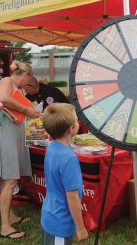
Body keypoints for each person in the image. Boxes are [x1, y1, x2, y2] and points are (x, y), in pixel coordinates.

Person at [0, 61, 38, 240]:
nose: (27, 84)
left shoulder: (14, 85)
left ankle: (11, 216)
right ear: (25, 75)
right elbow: (4, 99)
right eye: (28, 80)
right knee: (9, 181)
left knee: (8, 179)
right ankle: (5, 227)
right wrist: (26, 110)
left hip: (9, 135)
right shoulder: (7, 81)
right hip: (4, 136)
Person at [40, 103, 88, 244]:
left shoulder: (52, 147)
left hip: (49, 213)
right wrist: (80, 228)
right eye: (76, 120)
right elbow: (72, 197)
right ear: (71, 129)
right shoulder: (69, 158)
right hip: (60, 222)